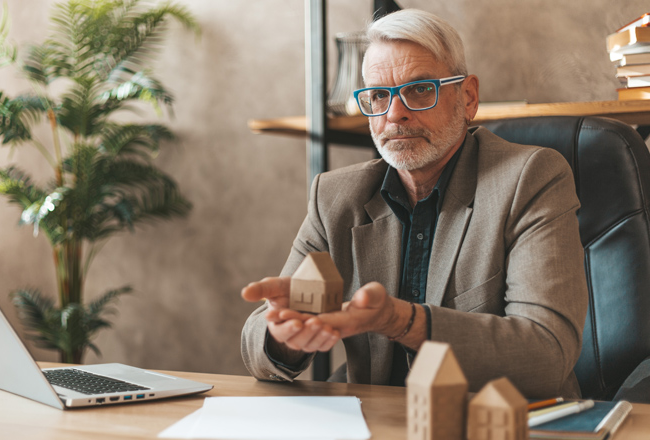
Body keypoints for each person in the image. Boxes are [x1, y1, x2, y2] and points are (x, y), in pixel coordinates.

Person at [240, 9, 588, 399]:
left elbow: (546, 355)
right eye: (377, 95)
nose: (395, 114)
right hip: (377, 422)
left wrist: (402, 321)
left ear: (468, 96)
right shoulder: (335, 197)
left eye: (420, 89)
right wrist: (286, 333)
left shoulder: (530, 178)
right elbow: (257, 347)